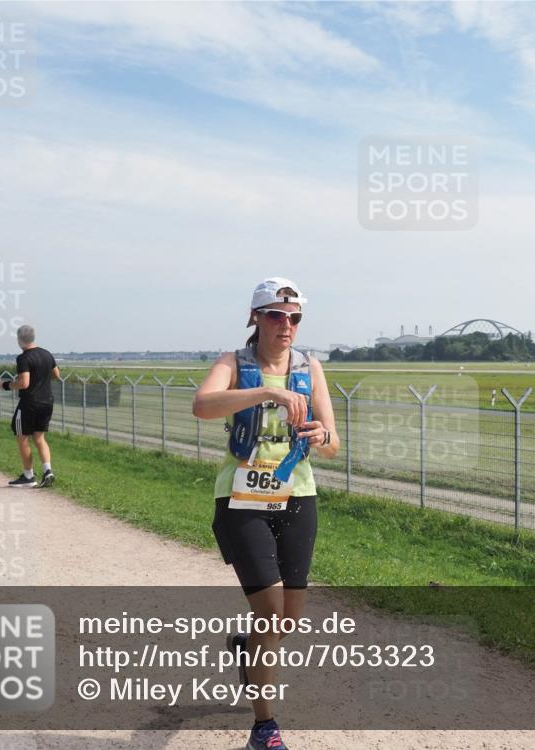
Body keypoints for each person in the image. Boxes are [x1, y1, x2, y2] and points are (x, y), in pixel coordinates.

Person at [193, 277, 338, 750]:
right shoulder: (234, 363)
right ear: (255, 317)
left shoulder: (309, 367)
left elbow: (334, 445)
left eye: (294, 317)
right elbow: (202, 406)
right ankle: (264, 727)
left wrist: (320, 437)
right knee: (271, 613)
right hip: (241, 501)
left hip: (297, 497)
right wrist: (266, 394)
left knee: (286, 622)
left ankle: (247, 648)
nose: (287, 325)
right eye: (277, 315)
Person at [0, 325, 60, 488]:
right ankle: (48, 470)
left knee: (23, 437)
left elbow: (23, 383)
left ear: (19, 339)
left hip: (29, 403)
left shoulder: (23, 358)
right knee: (39, 437)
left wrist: (5, 385)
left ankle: (28, 476)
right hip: (47, 401)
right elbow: (56, 375)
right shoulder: (47, 353)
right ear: (33, 337)